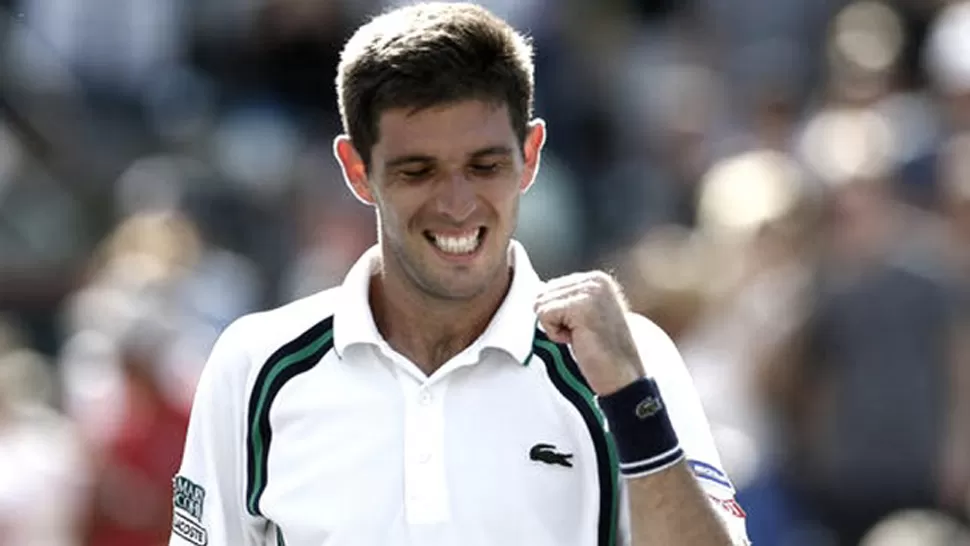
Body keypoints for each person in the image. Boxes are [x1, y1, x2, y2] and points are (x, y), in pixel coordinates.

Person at [168, 3, 750, 545]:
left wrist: (630, 401)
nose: (457, 203)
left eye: (484, 166)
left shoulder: (628, 361)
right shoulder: (253, 365)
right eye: (418, 171)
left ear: (530, 154)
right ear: (356, 170)